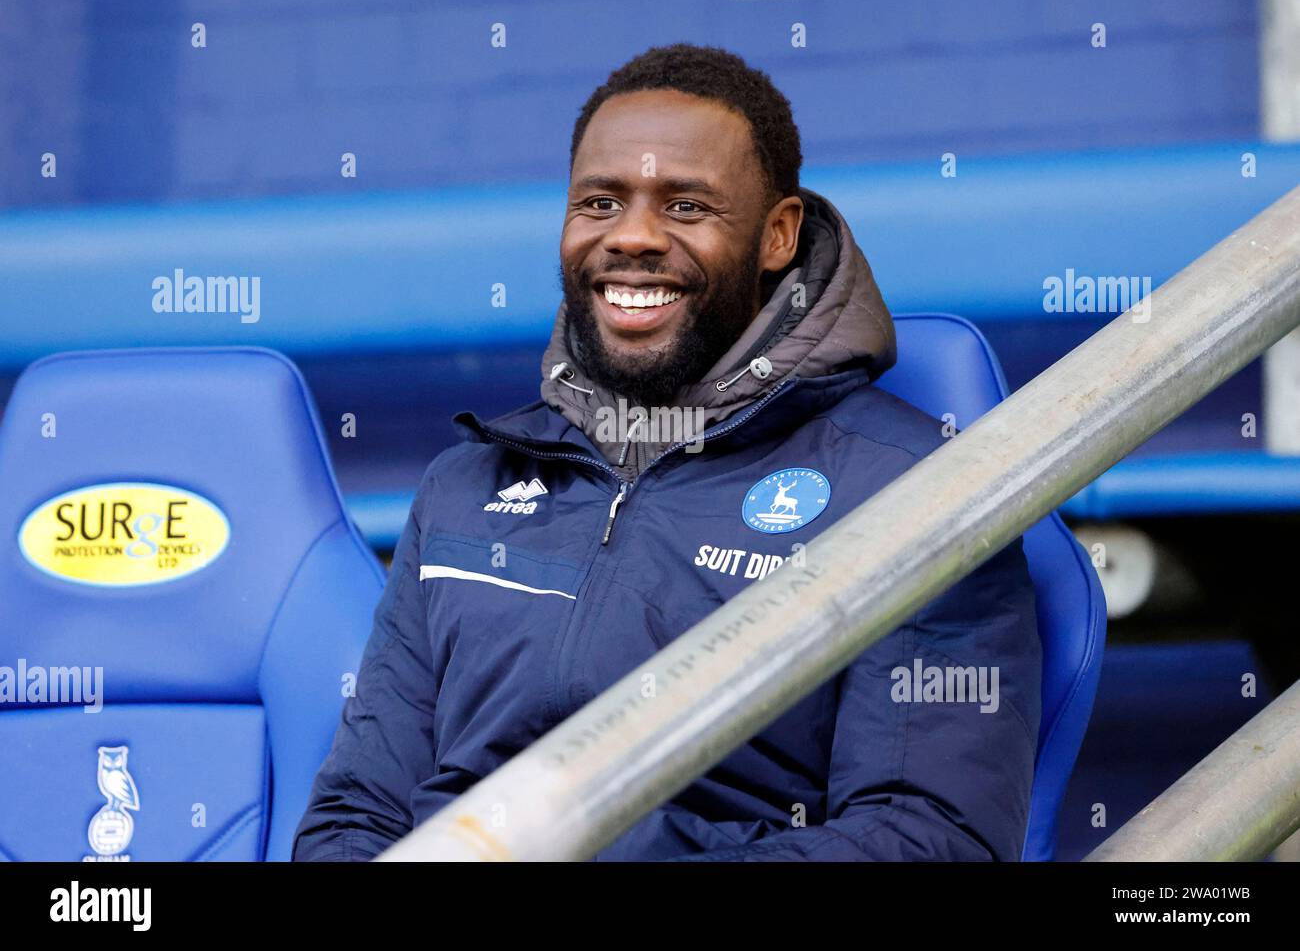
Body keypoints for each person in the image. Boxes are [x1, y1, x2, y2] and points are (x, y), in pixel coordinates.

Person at [294, 43, 1041, 862]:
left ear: (777, 236)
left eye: (686, 207)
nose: (634, 237)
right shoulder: (466, 485)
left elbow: (930, 840)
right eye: (600, 203)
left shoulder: (917, 495)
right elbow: (357, 814)